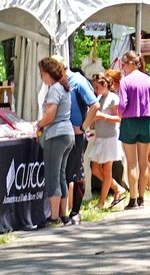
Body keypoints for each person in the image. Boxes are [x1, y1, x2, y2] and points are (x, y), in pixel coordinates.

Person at [54, 55, 100, 225]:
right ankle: (61, 212)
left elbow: (95, 104)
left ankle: (75, 211)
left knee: (76, 172)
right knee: (63, 173)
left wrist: (83, 127)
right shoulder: (59, 83)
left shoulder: (78, 81)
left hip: (76, 135)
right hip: (61, 133)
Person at [35, 57, 74, 228]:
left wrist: (39, 124)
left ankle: (54, 217)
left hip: (56, 135)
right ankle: (63, 214)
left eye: (42, 74)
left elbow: (50, 115)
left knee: (52, 176)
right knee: (61, 175)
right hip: (67, 134)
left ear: (48, 73)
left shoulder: (54, 89)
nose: (41, 77)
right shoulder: (64, 88)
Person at [118, 50, 150, 210]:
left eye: (123, 64)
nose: (122, 67)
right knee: (144, 162)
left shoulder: (125, 81)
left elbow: (122, 105)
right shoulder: (148, 80)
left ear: (130, 63)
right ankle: (142, 198)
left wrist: (120, 114)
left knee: (132, 163)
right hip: (147, 121)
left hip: (130, 121)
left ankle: (133, 199)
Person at [86, 72, 127, 209]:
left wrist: (102, 117)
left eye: (97, 87)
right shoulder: (98, 98)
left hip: (110, 138)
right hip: (100, 137)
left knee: (106, 170)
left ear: (105, 85)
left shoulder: (113, 98)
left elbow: (119, 118)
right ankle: (117, 188)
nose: (95, 90)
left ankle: (101, 201)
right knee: (95, 169)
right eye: (94, 87)